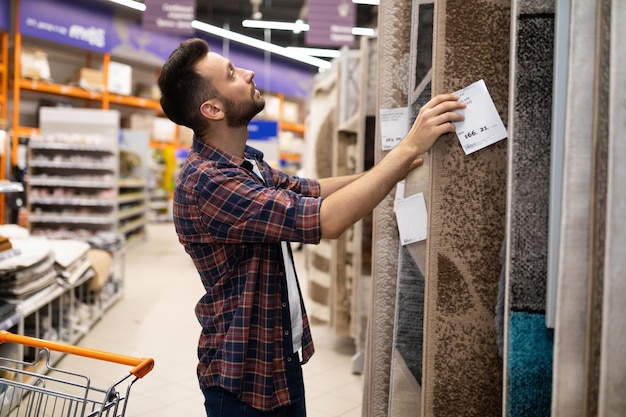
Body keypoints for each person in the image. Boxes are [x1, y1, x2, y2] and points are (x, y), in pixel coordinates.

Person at [157, 37, 465, 417]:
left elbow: (313, 191)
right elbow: (327, 219)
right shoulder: (209, 182)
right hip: (243, 377)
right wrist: (406, 150)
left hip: (272, 362)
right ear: (213, 108)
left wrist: (399, 163)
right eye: (233, 74)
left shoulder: (246, 165)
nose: (249, 72)